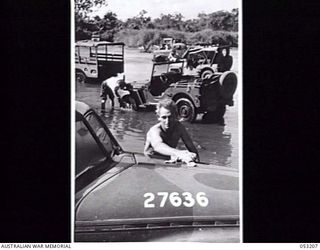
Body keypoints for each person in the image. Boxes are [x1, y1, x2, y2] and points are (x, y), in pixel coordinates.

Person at [144, 98, 199, 164]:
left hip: (169, 162)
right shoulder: (154, 130)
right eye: (164, 117)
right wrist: (179, 153)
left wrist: (196, 160)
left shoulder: (179, 128)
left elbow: (191, 147)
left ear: (176, 116)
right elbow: (158, 146)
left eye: (170, 117)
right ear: (158, 117)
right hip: (151, 162)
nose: (167, 121)